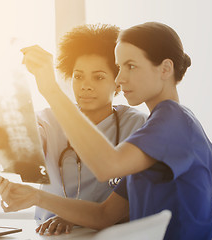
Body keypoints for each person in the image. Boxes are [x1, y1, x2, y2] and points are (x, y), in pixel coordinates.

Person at [0, 22, 212, 240]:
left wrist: (51, 90)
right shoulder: (164, 126)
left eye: (130, 66)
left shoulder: (170, 122)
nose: (120, 78)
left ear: (165, 69)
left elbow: (107, 167)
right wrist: (36, 196)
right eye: (120, 67)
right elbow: (104, 215)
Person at [34, 23, 148, 234]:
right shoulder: (49, 118)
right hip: (51, 233)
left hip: (112, 233)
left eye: (98, 77)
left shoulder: (137, 124)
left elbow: (139, 199)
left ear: (118, 83)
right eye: (78, 76)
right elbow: (27, 148)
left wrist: (76, 217)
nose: (86, 85)